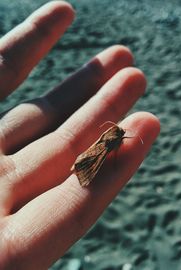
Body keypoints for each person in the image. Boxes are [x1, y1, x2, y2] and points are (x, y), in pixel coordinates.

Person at [0, 1, 160, 269]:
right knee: (94, 157)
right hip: (91, 157)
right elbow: (109, 144)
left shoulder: (113, 135)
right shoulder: (112, 136)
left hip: (91, 153)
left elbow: (111, 141)